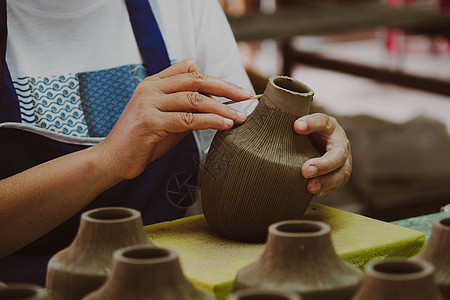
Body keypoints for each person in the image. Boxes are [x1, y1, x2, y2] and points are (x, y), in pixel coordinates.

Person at [0, 0, 352, 285]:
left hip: (171, 282)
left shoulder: (181, 6)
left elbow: (250, 136)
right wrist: (106, 160)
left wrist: (311, 146)